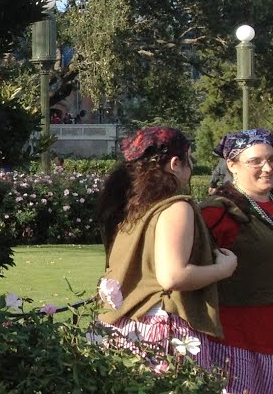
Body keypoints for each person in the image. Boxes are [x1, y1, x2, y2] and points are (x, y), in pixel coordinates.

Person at [96, 126, 235, 357]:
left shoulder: (129, 207)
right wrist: (224, 269)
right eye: (189, 159)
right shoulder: (175, 207)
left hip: (119, 326)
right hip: (158, 327)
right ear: (175, 164)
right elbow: (173, 276)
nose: (191, 166)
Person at [198, 131, 273, 394]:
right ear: (232, 164)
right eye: (256, 161)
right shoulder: (217, 212)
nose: (268, 168)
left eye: (271, 159)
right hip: (238, 342)